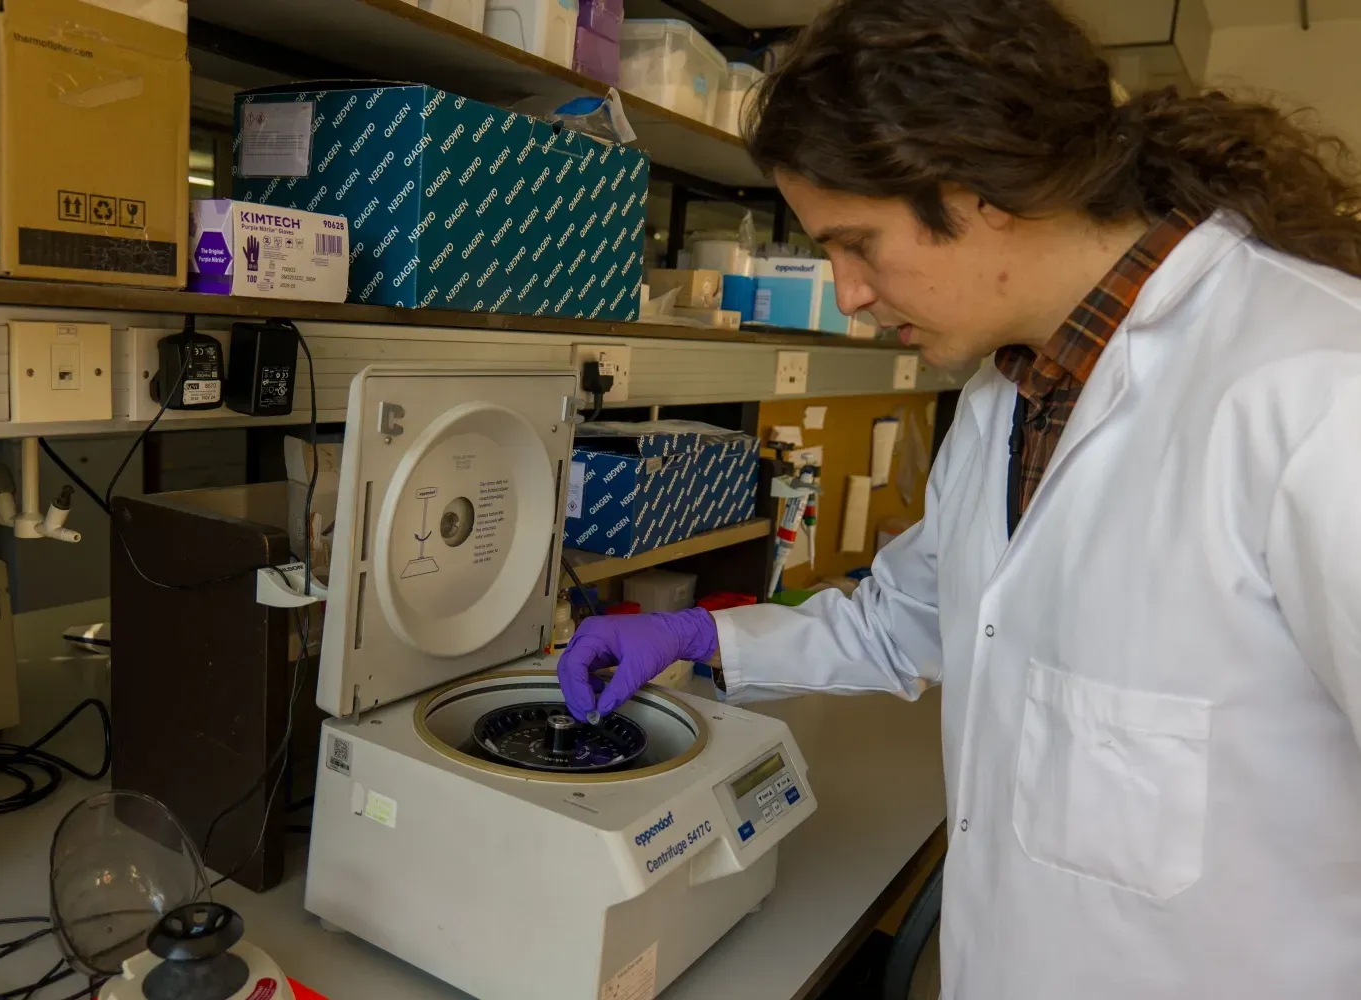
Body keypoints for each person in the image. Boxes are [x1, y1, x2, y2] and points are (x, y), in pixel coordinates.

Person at [557, 1, 1361, 996]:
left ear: (981, 189)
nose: (845, 292)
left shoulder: (1322, 391)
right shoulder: (1005, 398)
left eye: (857, 243)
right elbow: (914, 621)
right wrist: (702, 643)